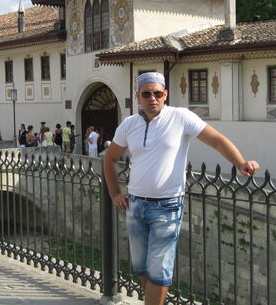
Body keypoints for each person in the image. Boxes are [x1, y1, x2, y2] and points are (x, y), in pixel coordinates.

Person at [103, 72, 259, 305]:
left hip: (167, 206)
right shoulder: (129, 124)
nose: (152, 98)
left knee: (159, 271)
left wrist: (240, 162)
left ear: (165, 94)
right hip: (135, 205)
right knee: (142, 268)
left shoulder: (181, 117)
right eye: (147, 94)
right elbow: (110, 158)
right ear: (138, 96)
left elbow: (216, 140)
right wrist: (115, 193)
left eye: (157, 93)